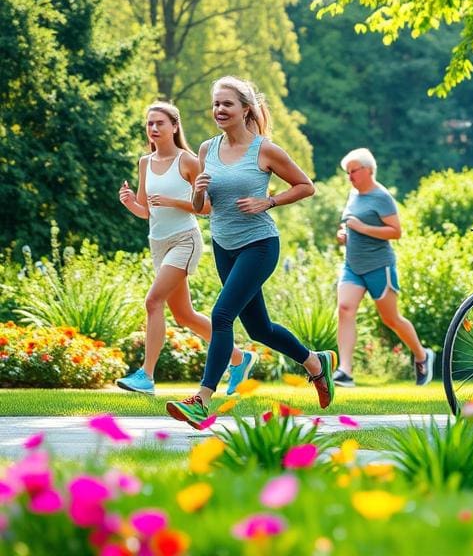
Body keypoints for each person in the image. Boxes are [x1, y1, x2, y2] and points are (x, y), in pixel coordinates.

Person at [164, 77, 336, 428]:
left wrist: (268, 201)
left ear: (245, 109)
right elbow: (204, 207)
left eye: (227, 104)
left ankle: (201, 400)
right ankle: (315, 363)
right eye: (215, 104)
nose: (219, 110)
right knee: (259, 329)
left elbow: (306, 186)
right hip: (224, 246)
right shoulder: (205, 150)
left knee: (222, 314)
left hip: (259, 245)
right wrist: (197, 192)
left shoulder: (265, 150)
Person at [117, 102, 256, 397]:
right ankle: (239, 358)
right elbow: (147, 210)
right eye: (149, 124)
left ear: (174, 126)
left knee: (153, 301)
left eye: (160, 123)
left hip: (185, 240)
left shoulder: (189, 161)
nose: (153, 129)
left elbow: (206, 207)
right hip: (158, 242)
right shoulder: (145, 162)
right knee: (185, 315)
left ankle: (146, 376)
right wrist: (130, 203)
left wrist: (173, 201)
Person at [331, 148, 434, 387]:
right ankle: (345, 371)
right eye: (347, 172)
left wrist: (362, 228)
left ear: (368, 170)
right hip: (352, 266)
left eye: (353, 171)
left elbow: (396, 232)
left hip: (379, 266)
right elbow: (350, 224)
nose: (350, 177)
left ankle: (422, 355)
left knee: (391, 319)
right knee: (345, 308)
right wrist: (345, 234)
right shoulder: (353, 195)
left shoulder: (382, 197)